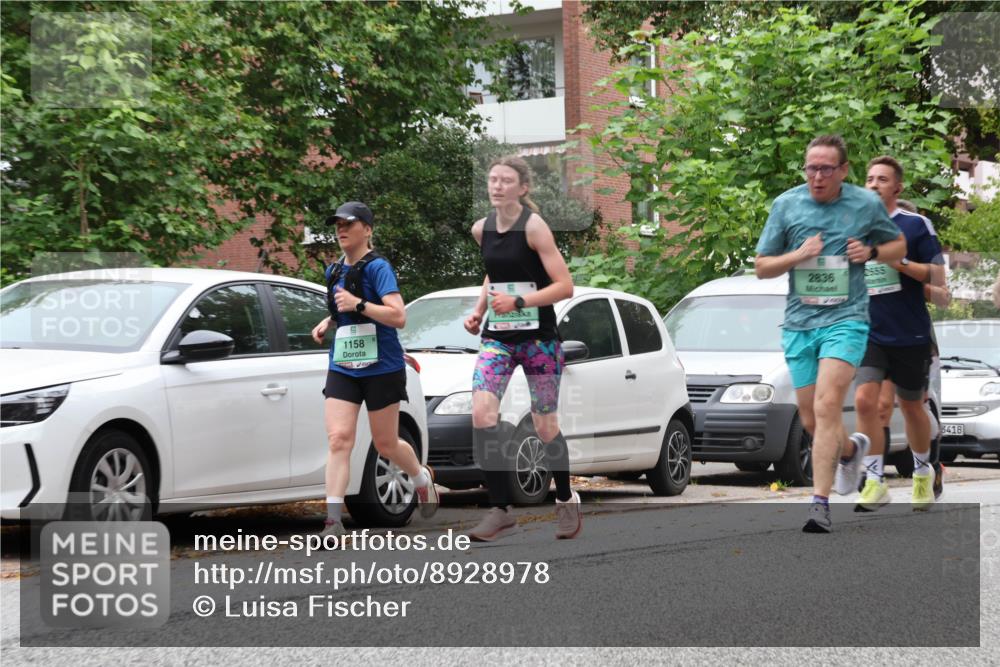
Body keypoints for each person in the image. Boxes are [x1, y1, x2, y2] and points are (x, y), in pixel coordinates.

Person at [754, 135, 905, 533]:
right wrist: (798, 256)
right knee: (810, 421)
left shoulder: (864, 203)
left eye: (825, 169)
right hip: (800, 325)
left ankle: (818, 505)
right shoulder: (786, 205)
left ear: (842, 170)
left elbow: (897, 245)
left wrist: (871, 254)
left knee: (826, 407)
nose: (817, 177)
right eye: (810, 168)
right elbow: (762, 266)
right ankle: (852, 450)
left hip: (847, 320)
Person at [463, 156, 578, 541]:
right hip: (498, 339)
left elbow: (565, 286)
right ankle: (500, 510)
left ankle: (564, 500)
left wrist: (520, 303)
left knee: (545, 424)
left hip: (539, 340)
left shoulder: (535, 228)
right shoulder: (482, 229)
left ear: (522, 188)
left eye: (505, 180)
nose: (496, 186)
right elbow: (493, 273)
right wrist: (479, 310)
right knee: (481, 412)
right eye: (492, 179)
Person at [310, 201, 438, 540]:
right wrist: (329, 320)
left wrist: (359, 305)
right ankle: (333, 521)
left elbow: (398, 316)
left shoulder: (379, 267)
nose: (340, 229)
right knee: (339, 439)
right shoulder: (333, 271)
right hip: (345, 365)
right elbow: (344, 312)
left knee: (385, 444)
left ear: (367, 229)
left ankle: (421, 478)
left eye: (348, 224)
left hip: (382, 366)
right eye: (336, 224)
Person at [850, 159, 946, 512]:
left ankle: (923, 472)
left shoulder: (915, 225)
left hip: (909, 333)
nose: (874, 184)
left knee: (911, 406)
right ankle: (874, 480)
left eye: (883, 179)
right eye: (870, 178)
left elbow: (938, 278)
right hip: (867, 332)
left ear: (897, 188)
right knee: (865, 402)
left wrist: (900, 263)